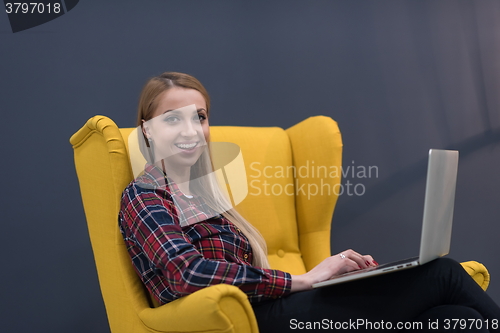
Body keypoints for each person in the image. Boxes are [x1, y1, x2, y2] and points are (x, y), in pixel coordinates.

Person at [119, 72, 500, 332]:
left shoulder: (206, 198)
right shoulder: (145, 195)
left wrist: (327, 277)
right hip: (254, 322)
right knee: (443, 274)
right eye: (173, 119)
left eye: (199, 117)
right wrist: (302, 280)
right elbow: (184, 273)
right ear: (147, 131)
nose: (191, 129)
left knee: (454, 316)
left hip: (276, 311)